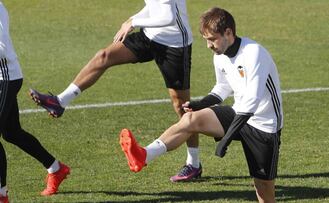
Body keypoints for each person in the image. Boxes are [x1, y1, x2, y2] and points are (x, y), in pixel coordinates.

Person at [119, 7, 283, 203]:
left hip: (264, 126)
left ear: (228, 33)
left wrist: (226, 139)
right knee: (190, 119)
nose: (208, 45)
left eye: (212, 39)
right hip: (238, 113)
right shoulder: (220, 56)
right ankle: (144, 155)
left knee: (263, 190)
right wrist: (200, 104)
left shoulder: (254, 53)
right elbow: (222, 87)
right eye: (206, 39)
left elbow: (252, 102)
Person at [29, 0, 201, 182]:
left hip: (174, 44)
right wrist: (134, 18)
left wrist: (133, 23)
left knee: (182, 107)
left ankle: (194, 164)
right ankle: (59, 102)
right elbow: (154, 7)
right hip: (149, 37)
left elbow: (168, 17)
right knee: (104, 56)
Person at [0, 2, 70, 202]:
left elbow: (2, 49)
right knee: (11, 133)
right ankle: (56, 169)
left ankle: (1, 195)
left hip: (6, 78)